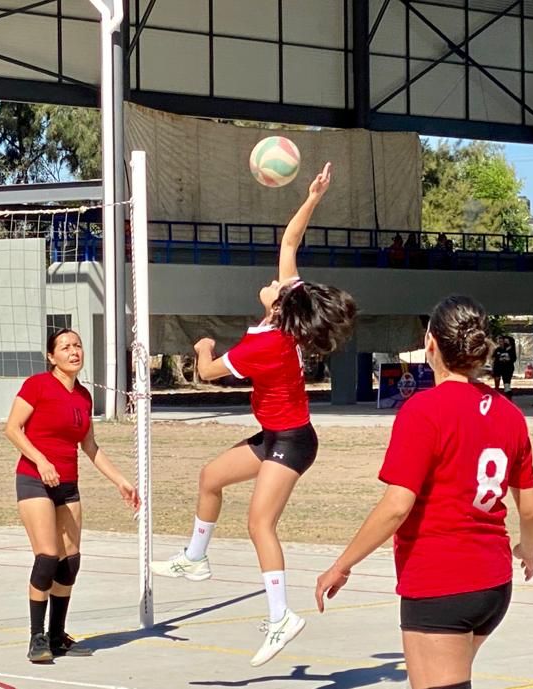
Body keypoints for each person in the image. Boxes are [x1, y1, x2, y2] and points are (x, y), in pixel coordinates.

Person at [150, 163, 358, 667]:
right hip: (274, 435)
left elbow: (208, 373)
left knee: (259, 522)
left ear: (278, 306)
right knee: (210, 477)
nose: (271, 282)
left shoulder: (266, 343)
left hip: (293, 441)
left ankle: (281, 617)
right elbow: (289, 242)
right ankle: (195, 559)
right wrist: (313, 196)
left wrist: (202, 348)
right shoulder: (285, 313)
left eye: (275, 286)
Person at [314, 296, 533, 689]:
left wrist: (342, 565)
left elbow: (396, 506)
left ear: (430, 343)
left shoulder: (424, 410)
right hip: (493, 585)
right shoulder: (509, 413)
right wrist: (528, 548)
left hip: (442, 583)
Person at [5, 328, 140, 663]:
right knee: (47, 557)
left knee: (70, 562)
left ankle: (57, 635)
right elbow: (12, 428)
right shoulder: (37, 385)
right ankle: (37, 637)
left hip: (68, 484)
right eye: (65, 347)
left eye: (77, 345)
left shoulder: (83, 396)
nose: (73, 351)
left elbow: (90, 446)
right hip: (35, 480)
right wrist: (41, 461)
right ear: (52, 356)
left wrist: (120, 481)